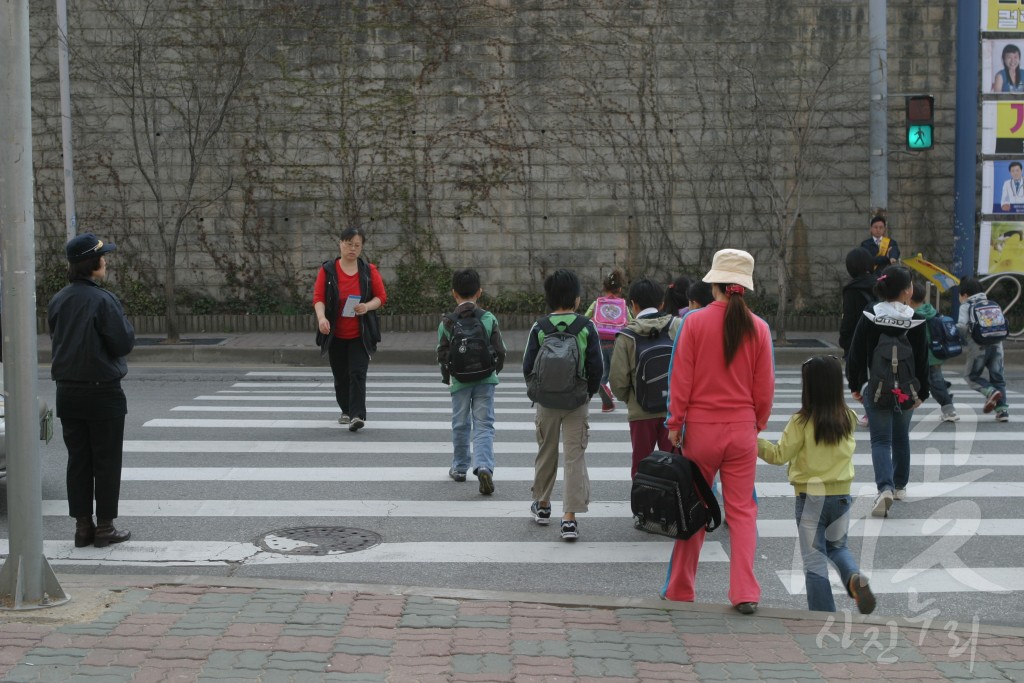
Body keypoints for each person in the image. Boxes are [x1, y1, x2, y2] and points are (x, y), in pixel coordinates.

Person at [662, 249, 775, 615]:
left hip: (701, 432)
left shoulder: (693, 323)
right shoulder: (759, 328)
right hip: (742, 430)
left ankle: (680, 588)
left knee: (694, 507)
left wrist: (675, 424)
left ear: (715, 285)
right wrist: (755, 423)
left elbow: (681, 380)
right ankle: (744, 591)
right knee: (743, 512)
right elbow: (765, 389)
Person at [757, 355, 876, 615]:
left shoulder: (801, 421)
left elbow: (779, 456)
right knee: (838, 547)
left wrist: (752, 440)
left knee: (814, 561)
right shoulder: (849, 417)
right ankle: (853, 577)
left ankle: (822, 614)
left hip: (811, 498)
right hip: (842, 496)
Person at [48, 233, 135, 548]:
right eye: (103, 256)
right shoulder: (104, 300)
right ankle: (105, 528)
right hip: (103, 392)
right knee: (106, 461)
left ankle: (82, 527)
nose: (106, 261)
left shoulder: (58, 299)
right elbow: (122, 342)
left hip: (67, 392)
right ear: (93, 263)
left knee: (78, 460)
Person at [523, 269, 603, 541]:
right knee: (574, 457)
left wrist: (540, 391)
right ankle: (569, 519)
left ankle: (543, 505)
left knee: (546, 451)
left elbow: (527, 366)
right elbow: (596, 367)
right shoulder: (585, 327)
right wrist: (587, 393)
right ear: (577, 300)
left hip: (546, 402)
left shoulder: (539, 327)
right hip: (576, 402)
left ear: (548, 298)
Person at [846, 265, 930, 516]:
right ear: (907, 291)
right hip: (905, 390)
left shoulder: (870, 314)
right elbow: (922, 361)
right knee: (901, 436)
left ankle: (884, 487)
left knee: (881, 440)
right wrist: (922, 393)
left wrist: (855, 385)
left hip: (876, 388)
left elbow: (856, 353)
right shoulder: (915, 320)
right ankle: (900, 486)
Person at [437, 268, 506, 494]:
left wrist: (448, 377)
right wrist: (493, 371)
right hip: (486, 379)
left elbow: (442, 353)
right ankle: (484, 465)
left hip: (459, 382)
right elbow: (500, 350)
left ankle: (459, 467)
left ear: (454, 293)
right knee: (484, 424)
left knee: (460, 423)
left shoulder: (447, 322)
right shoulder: (488, 318)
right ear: (479, 292)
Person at [313, 227, 386, 432]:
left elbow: (381, 297)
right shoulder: (328, 270)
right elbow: (318, 298)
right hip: (335, 333)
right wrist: (321, 318)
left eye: (357, 245)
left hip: (360, 333)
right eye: (348, 243)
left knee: (357, 373)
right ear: (340, 244)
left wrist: (367, 306)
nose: (352, 249)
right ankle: (345, 410)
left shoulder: (368, 270)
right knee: (341, 375)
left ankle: (357, 415)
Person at [609, 277, 682, 477]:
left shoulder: (626, 336)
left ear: (633, 305)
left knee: (641, 462)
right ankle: (673, 504)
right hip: (673, 409)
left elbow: (617, 380)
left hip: (640, 410)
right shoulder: (678, 326)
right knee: (674, 461)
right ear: (662, 303)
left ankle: (643, 505)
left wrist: (631, 398)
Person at [957, 278, 1009, 422]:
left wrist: (958, 336)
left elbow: (962, 327)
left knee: (971, 376)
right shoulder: (992, 304)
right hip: (997, 346)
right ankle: (1002, 411)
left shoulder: (966, 306)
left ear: (965, 294)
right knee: (998, 379)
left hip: (978, 347)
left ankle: (990, 392)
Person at [910, 282, 959, 422]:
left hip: (924, 356)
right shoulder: (931, 310)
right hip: (936, 354)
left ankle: (949, 408)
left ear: (909, 298)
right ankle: (945, 392)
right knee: (935, 381)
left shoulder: (914, 316)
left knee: (933, 383)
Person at [584, 268, 630, 412]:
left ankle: (605, 401)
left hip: (599, 340)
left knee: (603, 370)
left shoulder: (597, 303)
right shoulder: (622, 304)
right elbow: (631, 321)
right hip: (616, 341)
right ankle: (607, 390)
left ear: (604, 288)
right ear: (620, 289)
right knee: (615, 371)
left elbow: (585, 318)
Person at [838, 248, 879, 359]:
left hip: (857, 344)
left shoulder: (852, 290)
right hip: (879, 343)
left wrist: (844, 342)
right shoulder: (880, 283)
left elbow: (848, 320)